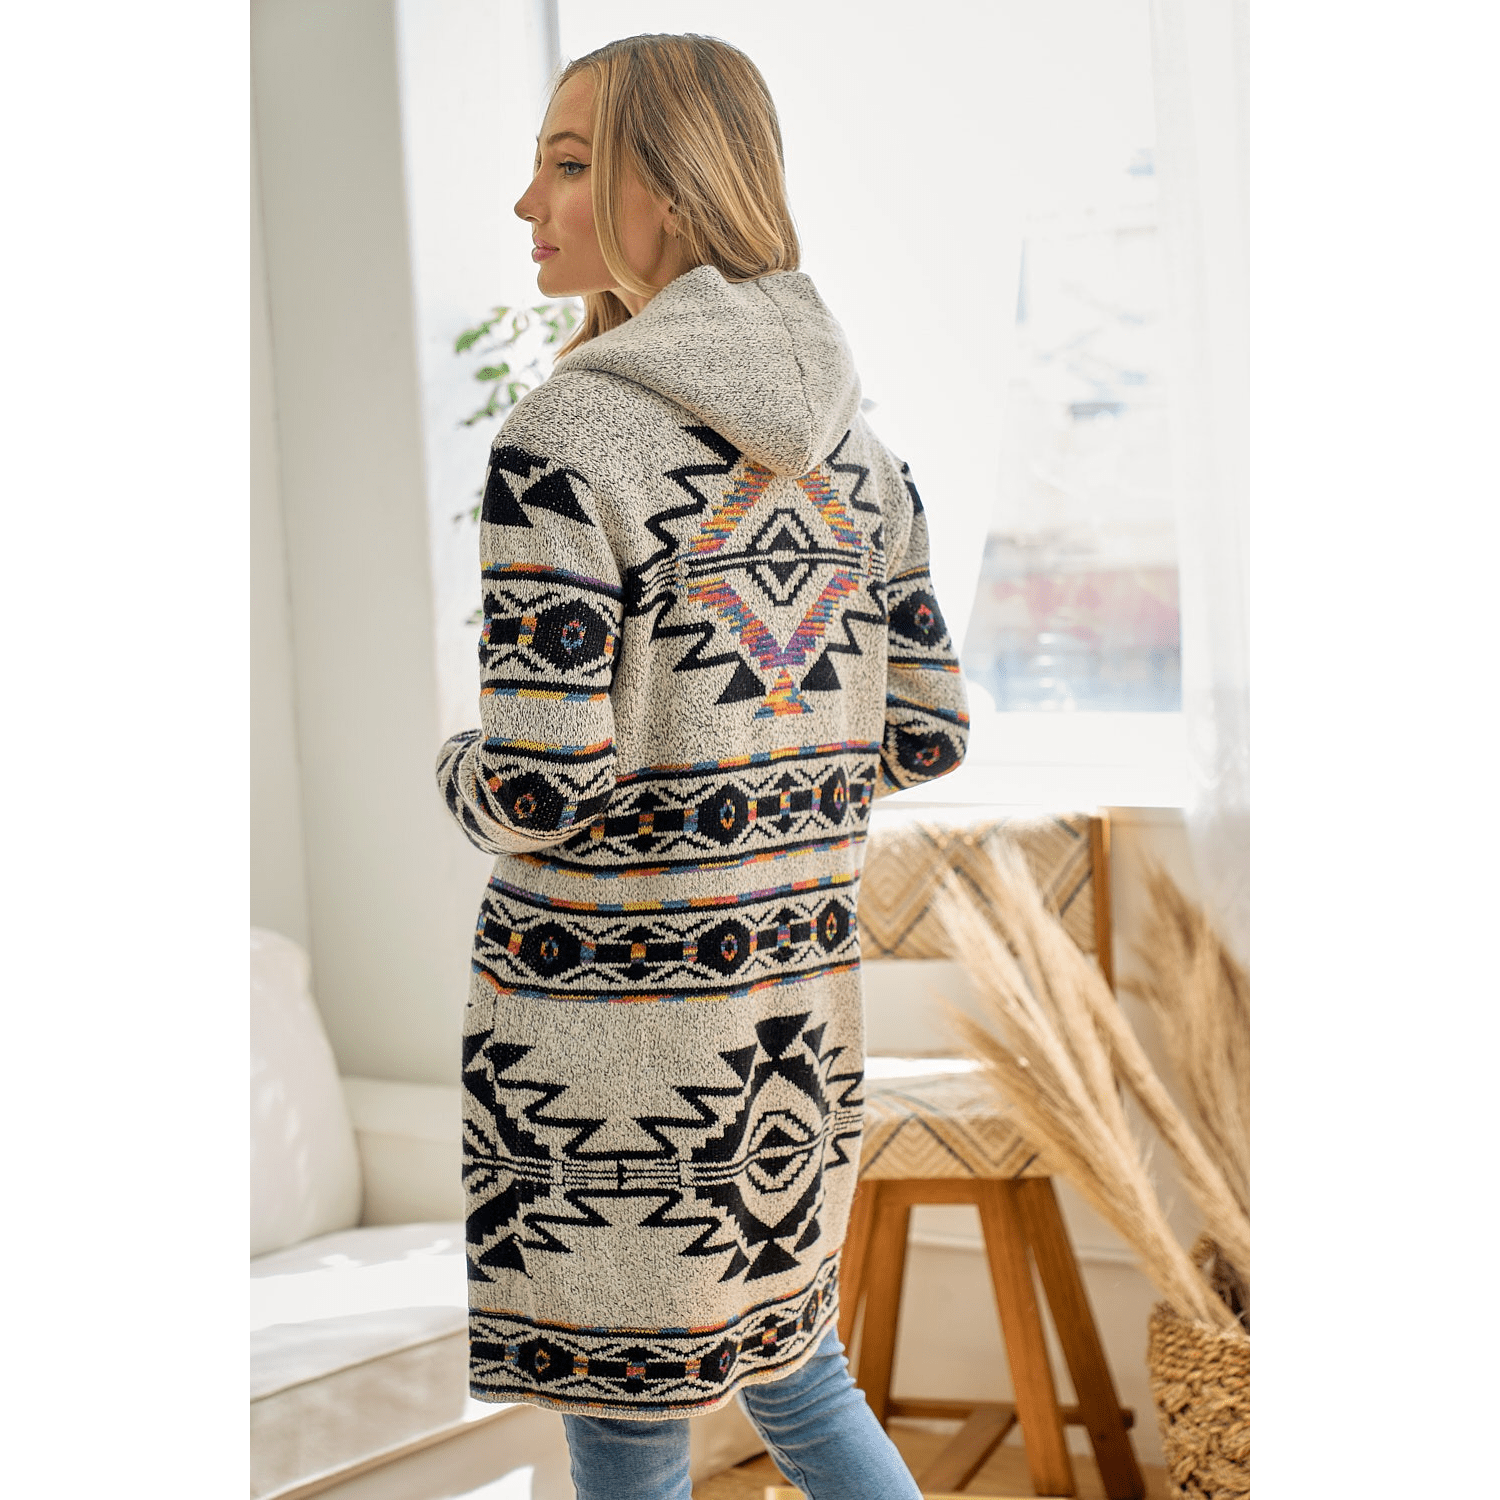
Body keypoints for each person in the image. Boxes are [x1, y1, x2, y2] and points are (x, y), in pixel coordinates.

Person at [435, 32, 969, 1500]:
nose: (527, 203)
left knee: (624, 1435)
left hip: (607, 1053)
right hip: (789, 1028)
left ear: (668, 190)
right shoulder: (862, 453)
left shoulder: (566, 438)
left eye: (568, 164)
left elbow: (539, 787)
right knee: (803, 1378)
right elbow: (927, 731)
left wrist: (455, 770)